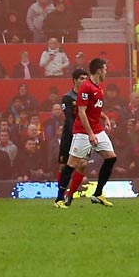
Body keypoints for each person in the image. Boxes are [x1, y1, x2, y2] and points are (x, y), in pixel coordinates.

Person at [58, 57, 116, 208]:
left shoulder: (98, 87)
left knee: (111, 158)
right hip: (83, 132)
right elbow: (81, 112)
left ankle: (97, 194)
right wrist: (90, 134)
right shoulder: (86, 87)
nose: (106, 72)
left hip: (97, 129)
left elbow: (93, 110)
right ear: (99, 71)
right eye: (105, 69)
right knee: (71, 164)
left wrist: (105, 117)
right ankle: (59, 199)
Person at [52, 67, 82, 202]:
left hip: (83, 135)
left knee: (82, 164)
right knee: (63, 165)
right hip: (69, 135)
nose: (84, 81)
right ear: (75, 80)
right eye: (81, 78)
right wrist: (74, 132)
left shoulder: (88, 96)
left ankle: (70, 195)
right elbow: (69, 117)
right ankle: (61, 195)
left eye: (86, 79)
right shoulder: (67, 97)